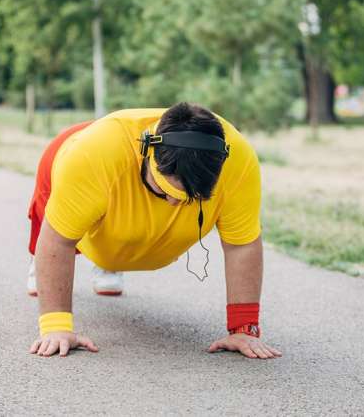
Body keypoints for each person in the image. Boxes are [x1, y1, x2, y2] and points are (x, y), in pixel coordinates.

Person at [27, 102, 282, 359]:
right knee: (54, 225)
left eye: (189, 200)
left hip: (115, 193)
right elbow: (58, 239)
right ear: (148, 152)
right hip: (76, 155)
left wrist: (244, 329)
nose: (173, 203)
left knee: (120, 234)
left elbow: (242, 245)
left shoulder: (239, 160)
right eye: (164, 191)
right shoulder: (93, 155)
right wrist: (56, 326)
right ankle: (40, 263)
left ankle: (110, 258)